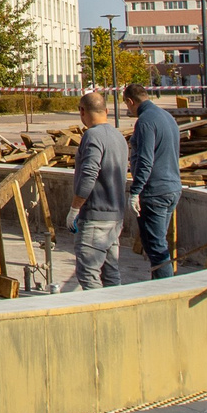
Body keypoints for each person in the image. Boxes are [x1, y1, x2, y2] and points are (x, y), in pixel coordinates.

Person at [69, 90, 129, 289]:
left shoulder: (92, 136)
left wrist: (75, 209)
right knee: (111, 272)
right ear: (107, 110)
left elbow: (89, 175)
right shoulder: (118, 136)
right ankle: (115, 313)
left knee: (88, 273)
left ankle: (98, 316)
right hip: (115, 216)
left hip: (96, 218)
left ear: (82, 111)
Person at [124, 81, 183, 278]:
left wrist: (136, 191)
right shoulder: (167, 117)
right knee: (159, 245)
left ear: (131, 101)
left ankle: (165, 291)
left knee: (156, 248)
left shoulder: (145, 121)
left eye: (127, 105)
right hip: (172, 187)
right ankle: (159, 286)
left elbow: (145, 160)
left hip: (155, 192)